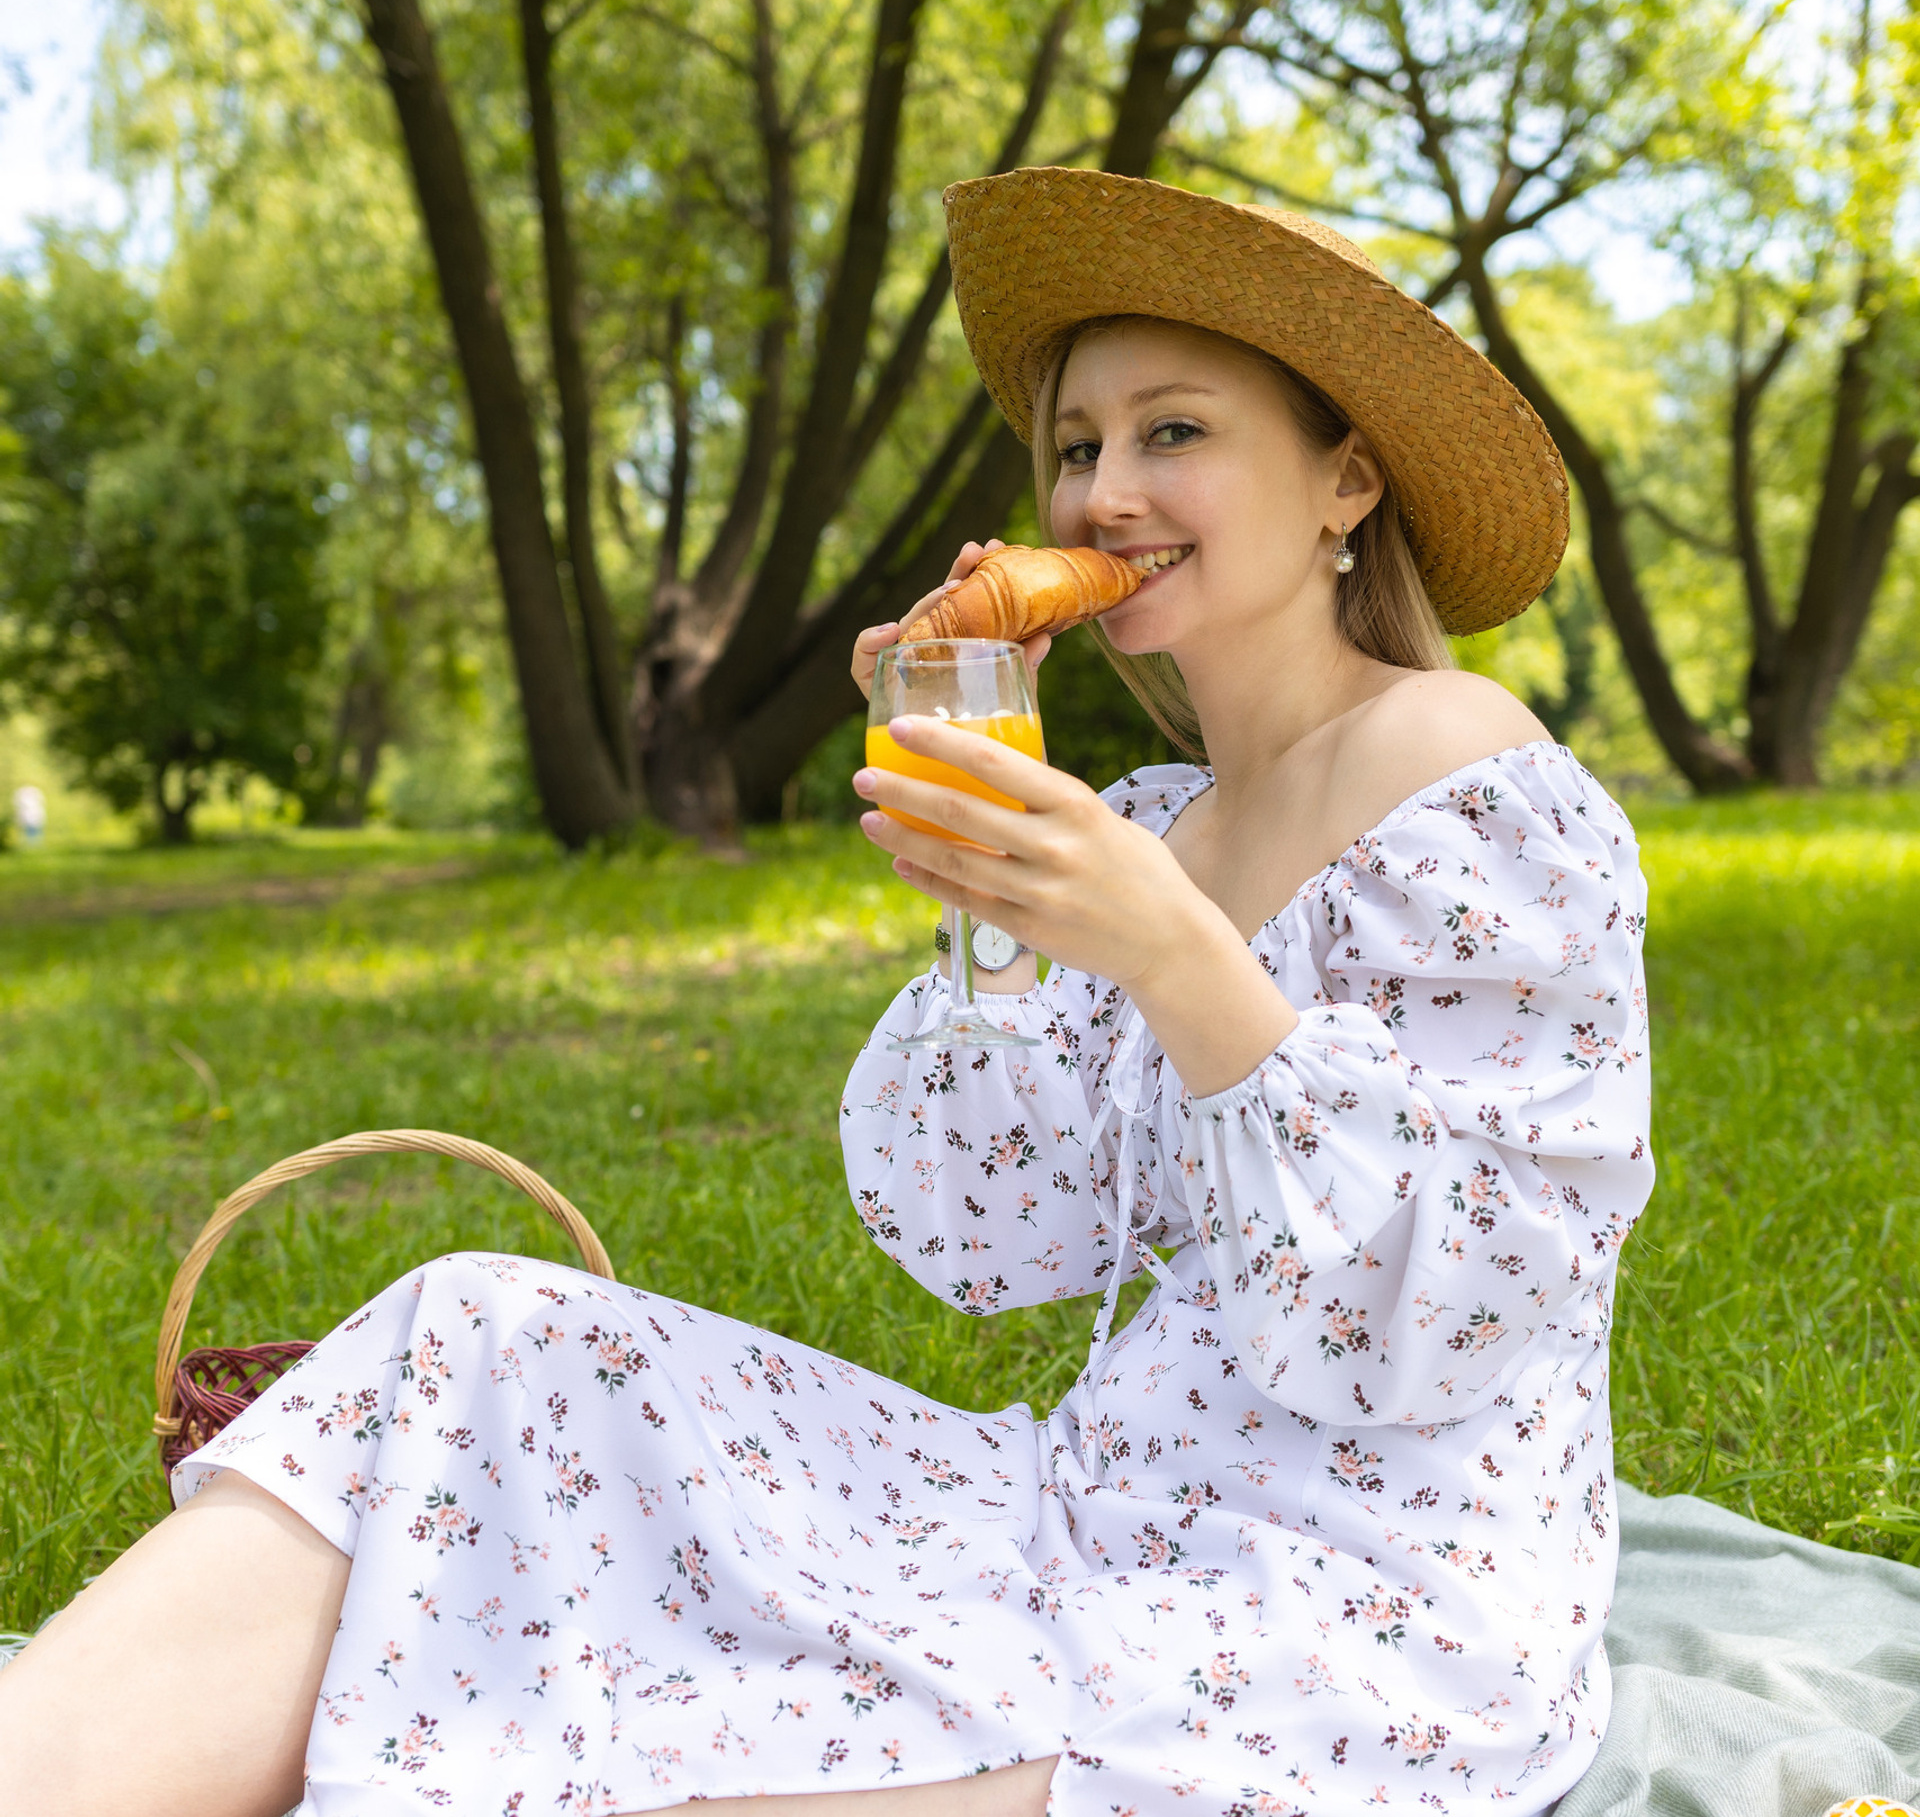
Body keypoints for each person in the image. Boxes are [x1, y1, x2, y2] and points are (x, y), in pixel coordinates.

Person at [0, 170, 1651, 1817]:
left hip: (1359, 1613)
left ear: (1345, 476)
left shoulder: (1461, 772)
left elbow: (1460, 1316)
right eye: (1078, 447)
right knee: (486, 1331)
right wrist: (991, 914)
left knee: (615, 1758)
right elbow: (990, 1249)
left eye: (1174, 433)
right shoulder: (1153, 821)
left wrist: (1175, 955)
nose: (1103, 494)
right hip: (1082, 1506)